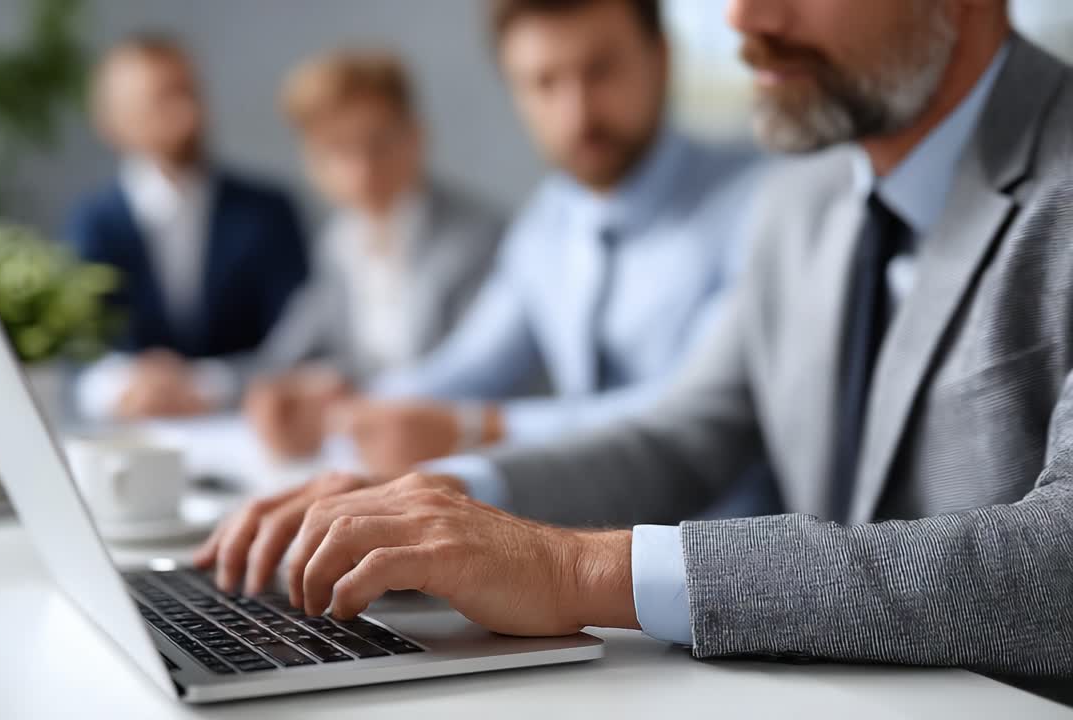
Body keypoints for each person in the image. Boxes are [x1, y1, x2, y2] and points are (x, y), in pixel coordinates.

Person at [196, 0, 1073, 680]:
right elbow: (688, 432)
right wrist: (429, 502)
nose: (745, 20)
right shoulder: (801, 201)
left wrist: (583, 570)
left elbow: (1059, 567)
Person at [253, 0, 765, 474]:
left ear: (662, 58)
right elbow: (465, 367)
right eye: (544, 82)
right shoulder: (545, 225)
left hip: (722, 549)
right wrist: (343, 408)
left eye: (600, 70)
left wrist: (476, 430)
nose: (577, 113)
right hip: (582, 531)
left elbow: (694, 414)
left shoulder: (759, 206)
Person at [243, 49, 505, 459]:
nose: (363, 168)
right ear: (312, 162)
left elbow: (479, 375)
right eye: (338, 150)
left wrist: (346, 397)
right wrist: (282, 391)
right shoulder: (338, 243)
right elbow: (284, 355)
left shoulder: (476, 239)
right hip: (369, 449)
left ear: (416, 136)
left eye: (378, 143)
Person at [69, 34, 309, 420]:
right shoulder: (92, 223)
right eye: (161, 98)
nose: (184, 111)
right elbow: (78, 351)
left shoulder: (267, 213)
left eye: (189, 92)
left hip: (243, 430)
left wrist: (205, 384)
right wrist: (126, 385)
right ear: (111, 121)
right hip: (133, 431)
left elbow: (299, 343)